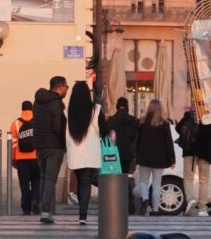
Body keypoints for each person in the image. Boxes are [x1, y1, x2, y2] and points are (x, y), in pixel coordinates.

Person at [64, 81, 104, 225]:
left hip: (75, 152)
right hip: (91, 152)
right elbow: (104, 130)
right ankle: (83, 216)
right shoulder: (96, 109)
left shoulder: (67, 111)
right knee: (86, 182)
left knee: (81, 181)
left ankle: (82, 213)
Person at [33, 75, 68, 224]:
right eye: (66, 87)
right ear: (60, 87)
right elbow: (57, 127)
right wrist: (64, 142)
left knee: (43, 177)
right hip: (54, 146)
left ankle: (43, 207)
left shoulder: (38, 101)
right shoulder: (56, 103)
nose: (67, 90)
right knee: (49, 179)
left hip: (40, 146)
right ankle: (46, 211)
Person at [133, 99, 176, 215]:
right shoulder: (165, 124)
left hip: (144, 158)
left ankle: (145, 198)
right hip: (160, 160)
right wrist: (172, 159)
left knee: (143, 181)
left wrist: (136, 156)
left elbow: (137, 141)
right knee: (157, 184)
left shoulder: (141, 122)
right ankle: (155, 209)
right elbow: (169, 143)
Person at [178, 108, 211, 216]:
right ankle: (203, 208)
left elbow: (178, 128)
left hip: (190, 151)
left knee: (188, 178)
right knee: (204, 180)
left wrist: (187, 117)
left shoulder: (190, 115)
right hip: (206, 152)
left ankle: (191, 200)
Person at [9, 100, 40, 215]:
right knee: (37, 180)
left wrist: (13, 158)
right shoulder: (38, 121)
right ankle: (35, 199)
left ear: (22, 110)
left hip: (21, 159)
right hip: (36, 157)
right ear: (32, 109)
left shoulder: (15, 124)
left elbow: (13, 144)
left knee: (24, 183)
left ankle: (26, 209)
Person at [105, 97, 139, 174]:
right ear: (127, 107)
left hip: (113, 153)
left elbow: (106, 135)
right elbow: (135, 136)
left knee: (114, 175)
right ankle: (124, 186)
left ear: (117, 106)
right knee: (125, 174)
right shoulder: (133, 120)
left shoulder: (111, 120)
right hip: (128, 153)